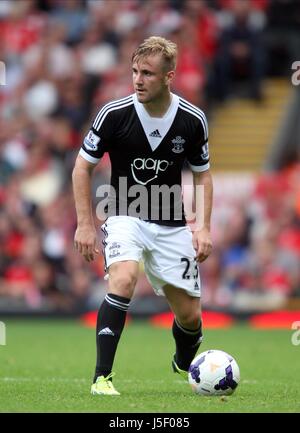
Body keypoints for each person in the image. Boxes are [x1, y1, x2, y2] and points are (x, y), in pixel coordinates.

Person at [72, 36, 213, 396]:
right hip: (124, 214)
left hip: (171, 223)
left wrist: (203, 227)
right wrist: (85, 223)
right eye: (135, 71)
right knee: (123, 279)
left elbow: (202, 174)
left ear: (169, 76)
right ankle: (102, 378)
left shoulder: (192, 120)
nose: (138, 80)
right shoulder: (114, 114)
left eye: (147, 73)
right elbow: (81, 168)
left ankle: (183, 360)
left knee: (190, 317)